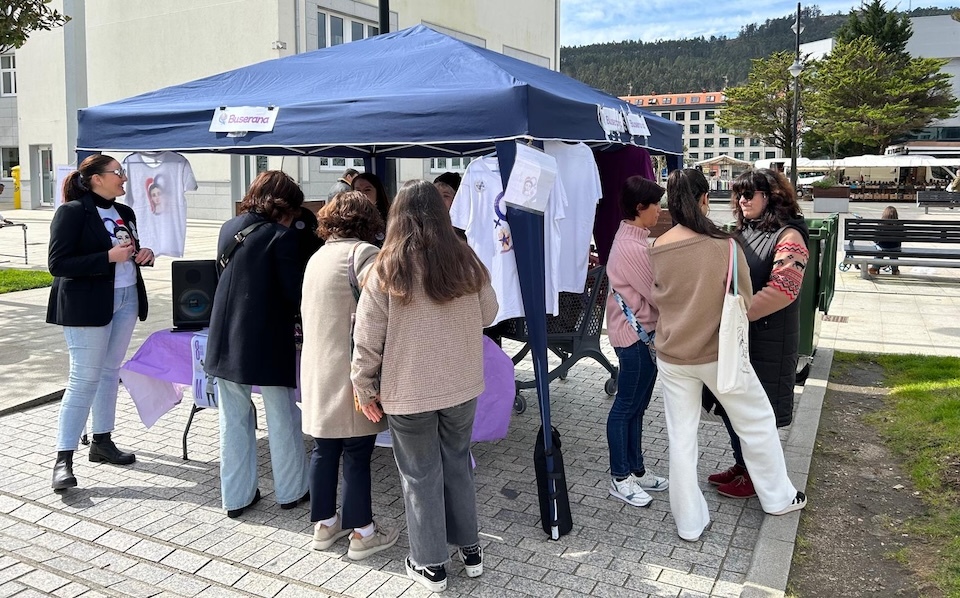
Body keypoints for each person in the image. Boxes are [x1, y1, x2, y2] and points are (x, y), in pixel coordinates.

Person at [351, 180, 498, 592]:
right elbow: (489, 313)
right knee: (457, 464)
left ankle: (430, 564)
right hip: (462, 385)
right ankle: (470, 550)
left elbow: (367, 339)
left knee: (420, 475)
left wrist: (363, 386)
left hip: (408, 389)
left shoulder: (386, 267)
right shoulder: (465, 259)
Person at [649, 168, 806, 542]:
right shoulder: (724, 245)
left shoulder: (657, 245)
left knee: (682, 439)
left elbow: (657, 294)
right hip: (718, 354)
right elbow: (744, 299)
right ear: (705, 199)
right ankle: (778, 498)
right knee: (757, 422)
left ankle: (689, 523)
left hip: (671, 354)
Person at [204, 170, 310, 518]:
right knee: (282, 416)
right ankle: (292, 490)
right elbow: (294, 294)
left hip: (225, 336)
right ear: (285, 206)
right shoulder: (282, 237)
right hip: (267, 337)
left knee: (233, 420)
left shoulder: (228, 228)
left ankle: (237, 497)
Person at [46, 155, 155, 491]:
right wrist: (107, 257)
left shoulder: (125, 212)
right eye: (118, 172)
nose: (124, 178)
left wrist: (143, 255)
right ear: (96, 178)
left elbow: (129, 251)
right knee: (84, 379)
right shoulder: (72, 212)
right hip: (86, 305)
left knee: (110, 372)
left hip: (125, 299)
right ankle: (63, 459)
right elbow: (58, 264)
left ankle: (102, 442)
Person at [299, 191, 397, 560]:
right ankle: (363, 533)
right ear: (369, 221)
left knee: (324, 449)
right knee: (356, 452)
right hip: (350, 371)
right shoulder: (364, 254)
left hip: (317, 369)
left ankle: (325, 525)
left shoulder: (317, 256)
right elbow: (381, 307)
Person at [704, 168, 810, 499]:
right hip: (742, 339)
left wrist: (736, 316)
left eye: (749, 194)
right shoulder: (743, 231)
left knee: (758, 415)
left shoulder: (790, 236)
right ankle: (743, 464)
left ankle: (757, 476)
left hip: (768, 341)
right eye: (738, 194)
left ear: (771, 196)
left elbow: (784, 290)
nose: (742, 200)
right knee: (733, 407)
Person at [604, 176, 668, 508]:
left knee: (637, 406)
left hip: (639, 335)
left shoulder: (633, 239)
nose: (660, 210)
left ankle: (636, 470)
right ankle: (620, 477)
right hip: (634, 338)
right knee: (626, 407)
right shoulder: (632, 248)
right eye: (656, 204)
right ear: (640, 207)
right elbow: (658, 295)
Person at [869, 205, 901, 276]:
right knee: (894, 253)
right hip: (895, 247)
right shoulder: (899, 225)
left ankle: (875, 268)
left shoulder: (880, 224)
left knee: (879, 251)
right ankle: (895, 269)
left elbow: (875, 238)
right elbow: (903, 237)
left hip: (882, 247)